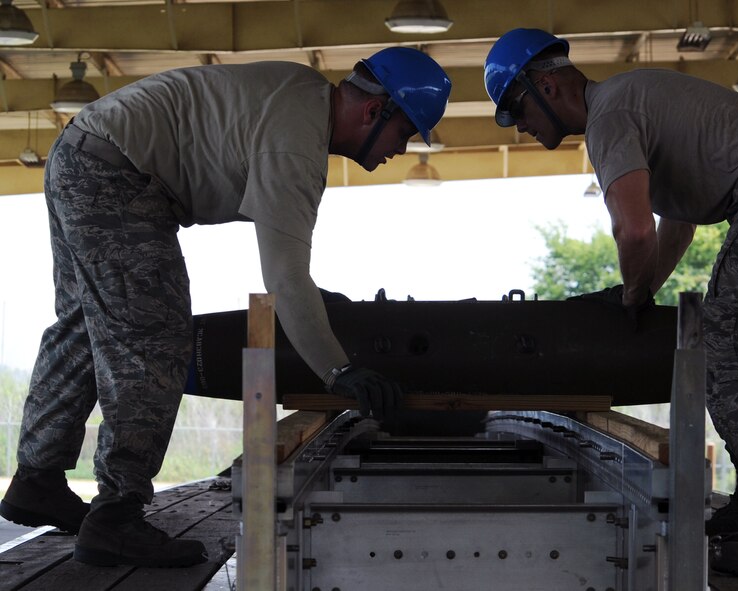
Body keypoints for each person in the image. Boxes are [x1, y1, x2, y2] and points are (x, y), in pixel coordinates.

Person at [0, 48, 451, 568]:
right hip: (118, 176)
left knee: (82, 322)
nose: (403, 148)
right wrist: (339, 370)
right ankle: (117, 515)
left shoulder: (301, 97)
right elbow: (284, 276)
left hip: (82, 154)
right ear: (375, 112)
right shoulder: (296, 147)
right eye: (407, 132)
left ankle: (38, 478)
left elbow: (287, 269)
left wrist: (317, 312)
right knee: (155, 337)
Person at [484, 29, 738, 576]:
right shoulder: (638, 103)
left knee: (723, 347)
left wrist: (629, 297)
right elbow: (678, 222)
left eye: (518, 110)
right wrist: (646, 293)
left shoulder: (607, 116)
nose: (524, 127)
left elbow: (634, 234)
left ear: (547, 84)